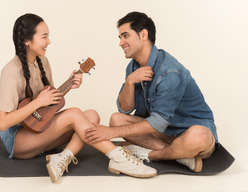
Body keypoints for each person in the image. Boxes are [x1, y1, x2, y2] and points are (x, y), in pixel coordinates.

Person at [0, 13, 157, 183]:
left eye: (48, 36)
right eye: (44, 36)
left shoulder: (43, 61)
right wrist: (39, 101)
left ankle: (62, 158)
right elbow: (3, 122)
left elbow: (46, 108)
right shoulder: (11, 72)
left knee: (92, 115)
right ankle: (119, 158)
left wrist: (68, 86)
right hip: (17, 140)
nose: (49, 41)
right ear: (26, 40)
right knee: (74, 114)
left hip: (37, 130)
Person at [84, 11, 218, 173]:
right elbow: (124, 109)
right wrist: (130, 81)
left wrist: (111, 133)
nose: (121, 42)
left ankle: (152, 155)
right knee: (116, 119)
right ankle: (180, 155)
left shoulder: (170, 71)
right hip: (163, 133)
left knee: (198, 136)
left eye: (125, 36)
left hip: (188, 130)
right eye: (120, 37)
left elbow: (158, 122)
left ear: (143, 34)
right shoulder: (133, 66)